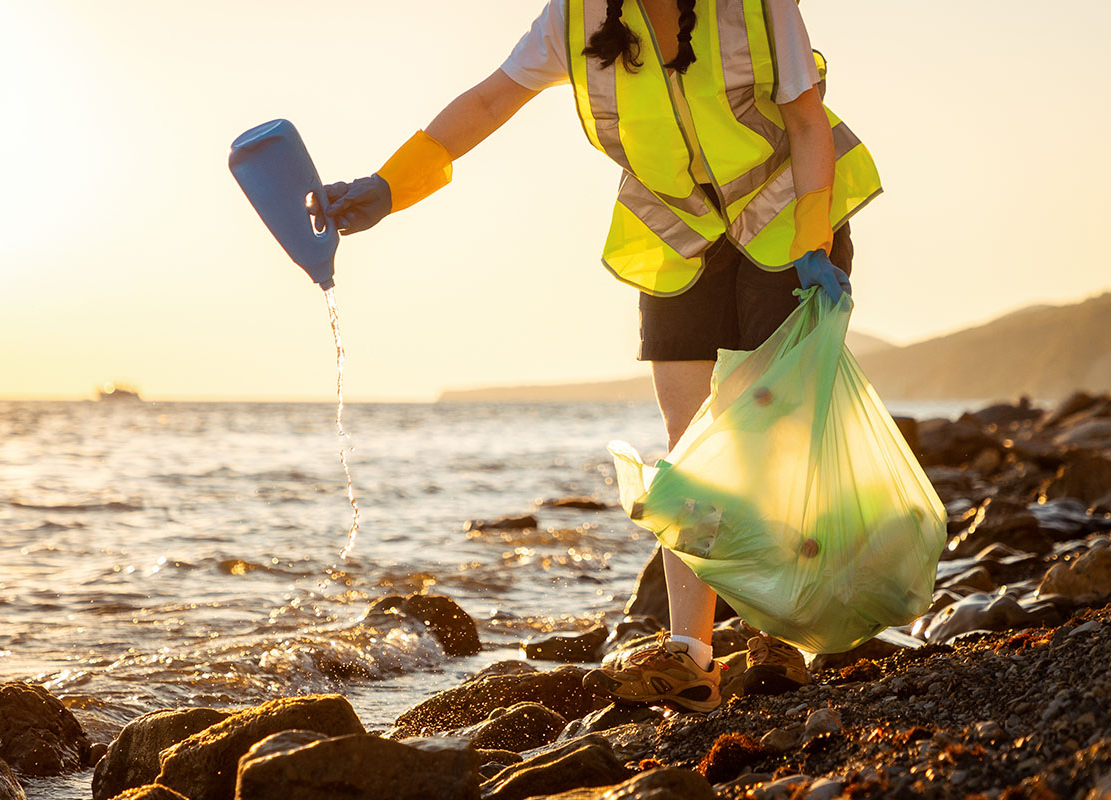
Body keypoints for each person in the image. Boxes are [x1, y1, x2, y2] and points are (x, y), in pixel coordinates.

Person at [311, 0, 881, 713]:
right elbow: (491, 99)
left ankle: (779, 635)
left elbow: (804, 120)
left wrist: (814, 244)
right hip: (680, 236)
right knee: (687, 444)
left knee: (758, 431)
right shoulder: (573, 18)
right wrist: (391, 185)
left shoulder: (759, 7)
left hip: (787, 222)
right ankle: (693, 657)